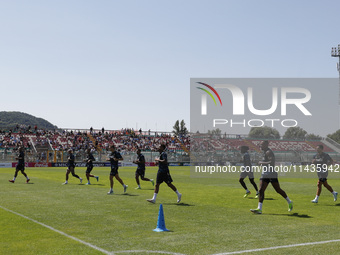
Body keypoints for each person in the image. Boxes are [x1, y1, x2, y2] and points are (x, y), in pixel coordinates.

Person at [250, 140, 293, 214]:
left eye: (262, 145)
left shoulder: (269, 152)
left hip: (271, 173)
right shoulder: (264, 152)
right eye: (260, 145)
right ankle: (259, 209)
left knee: (278, 190)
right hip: (265, 174)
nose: (261, 146)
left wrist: (261, 163)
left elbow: (272, 163)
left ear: (266, 145)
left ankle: (289, 201)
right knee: (261, 190)